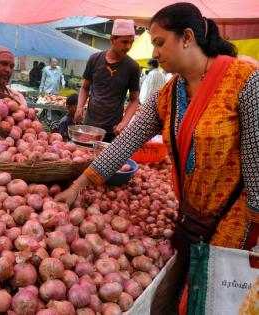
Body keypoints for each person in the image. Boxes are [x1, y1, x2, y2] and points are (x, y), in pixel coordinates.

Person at [55, 3, 258, 314]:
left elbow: (257, 163)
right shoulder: (169, 94)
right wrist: (80, 184)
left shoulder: (244, 79)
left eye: (160, 42)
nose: (154, 51)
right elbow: (125, 143)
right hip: (191, 219)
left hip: (237, 224)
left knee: (222, 302)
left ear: (187, 37)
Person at [74, 19, 140, 143]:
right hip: (89, 125)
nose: (128, 47)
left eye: (131, 42)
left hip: (113, 129)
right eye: (124, 42)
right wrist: (79, 107)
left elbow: (134, 99)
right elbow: (85, 87)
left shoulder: (133, 67)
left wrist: (124, 123)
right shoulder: (95, 59)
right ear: (112, 40)